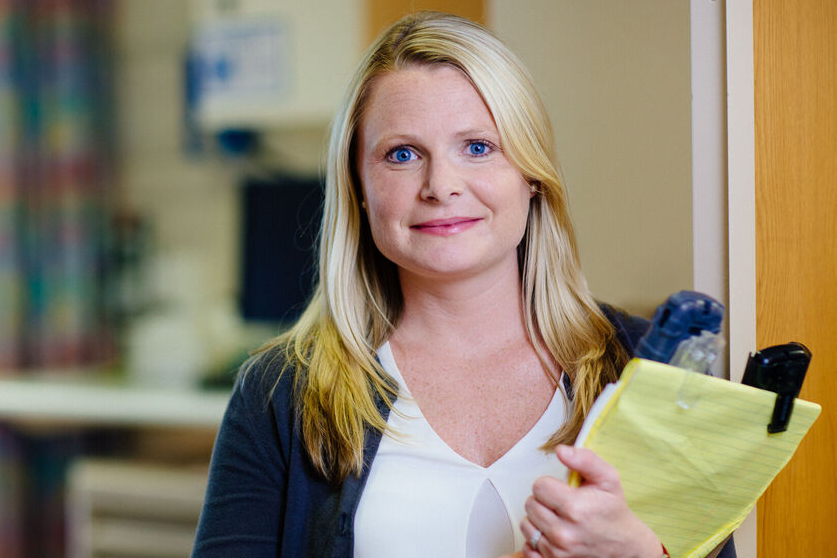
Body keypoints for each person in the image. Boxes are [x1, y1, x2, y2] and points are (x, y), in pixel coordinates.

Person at [193, 12, 735, 558]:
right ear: (358, 185)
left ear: (531, 174)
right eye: (402, 155)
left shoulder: (653, 370)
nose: (440, 186)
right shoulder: (278, 395)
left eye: (477, 147)